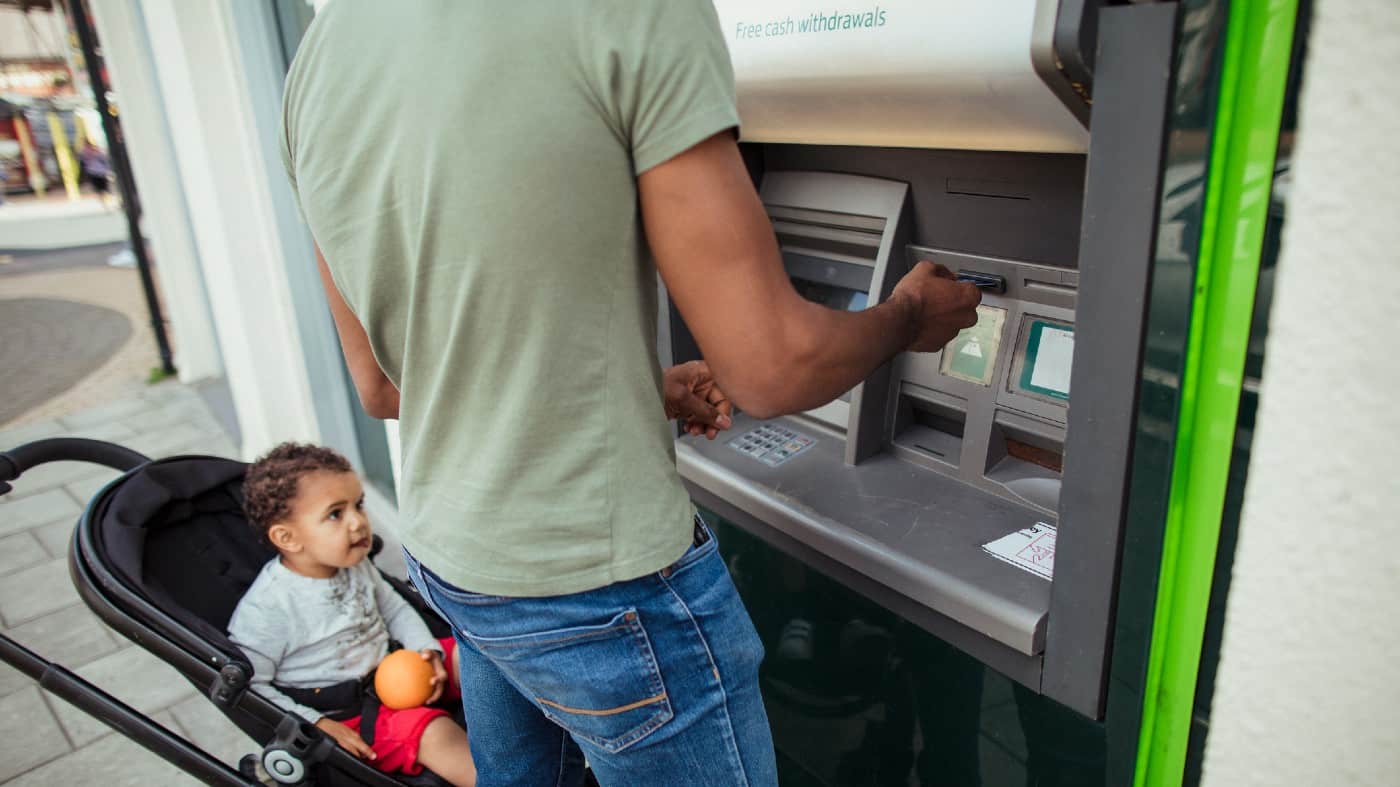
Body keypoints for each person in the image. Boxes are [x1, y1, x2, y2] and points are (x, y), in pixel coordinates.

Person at [279, 2, 980, 784]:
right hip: (601, 593)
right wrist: (911, 312)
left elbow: (385, 383)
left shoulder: (320, 57)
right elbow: (775, 367)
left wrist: (635, 390)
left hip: (461, 566)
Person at [229, 443, 477, 787]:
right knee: (437, 737)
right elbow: (251, 685)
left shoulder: (351, 563)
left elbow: (393, 608)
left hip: (398, 668)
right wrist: (312, 725)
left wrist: (427, 649)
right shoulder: (270, 608)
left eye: (358, 505)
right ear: (288, 537)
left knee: (473, 656)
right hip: (355, 715)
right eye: (336, 514)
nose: (359, 522)